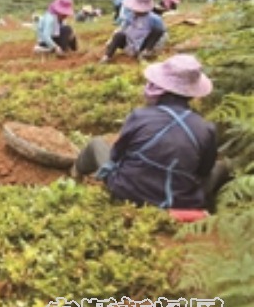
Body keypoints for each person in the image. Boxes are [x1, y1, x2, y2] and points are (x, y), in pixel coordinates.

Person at [73, 54, 229, 210]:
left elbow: (116, 156)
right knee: (222, 167)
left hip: (127, 192)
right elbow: (203, 171)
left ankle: (74, 175)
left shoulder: (139, 116)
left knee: (96, 144)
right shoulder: (206, 128)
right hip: (180, 200)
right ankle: (211, 207)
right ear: (192, 94)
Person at [100, 0, 166, 64]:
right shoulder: (131, 16)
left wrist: (155, 48)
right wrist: (110, 41)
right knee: (118, 35)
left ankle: (144, 54)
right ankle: (107, 56)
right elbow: (123, 27)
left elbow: (161, 35)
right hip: (130, 43)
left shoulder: (154, 19)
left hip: (144, 45)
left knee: (158, 31)